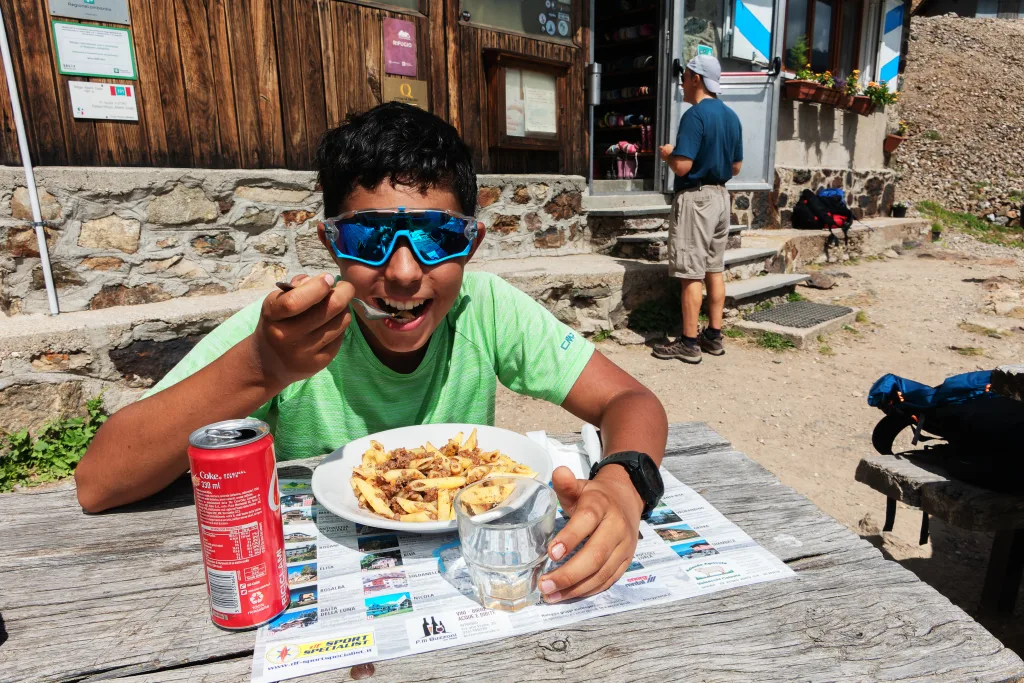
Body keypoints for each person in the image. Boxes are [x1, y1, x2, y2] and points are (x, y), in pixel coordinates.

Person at [75, 102, 669, 604]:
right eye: (368, 238)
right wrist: (263, 368)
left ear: (472, 243)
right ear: (330, 242)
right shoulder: (293, 330)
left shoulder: (486, 307)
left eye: (438, 237)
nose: (405, 273)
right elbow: (99, 484)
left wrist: (625, 480)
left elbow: (629, 398)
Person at [653, 54, 743, 364]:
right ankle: (714, 337)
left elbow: (682, 166)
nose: (681, 81)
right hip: (720, 197)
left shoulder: (694, 116)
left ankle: (689, 342)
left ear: (696, 79)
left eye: (685, 75)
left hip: (696, 197)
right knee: (713, 268)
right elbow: (736, 166)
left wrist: (667, 154)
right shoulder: (731, 116)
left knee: (690, 272)